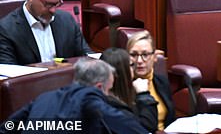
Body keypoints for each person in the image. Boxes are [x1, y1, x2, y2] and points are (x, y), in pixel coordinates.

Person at [1, 58, 147, 134]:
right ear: (98, 87)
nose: (107, 95)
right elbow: (117, 120)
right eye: (108, 90)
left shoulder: (44, 97)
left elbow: (9, 126)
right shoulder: (89, 97)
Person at [0, 0, 92, 65]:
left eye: (57, 4)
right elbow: (9, 72)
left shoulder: (67, 20)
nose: (53, 10)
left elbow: (86, 55)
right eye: (48, 4)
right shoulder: (6, 29)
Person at [100, 47, 158, 133]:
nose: (133, 70)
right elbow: (146, 128)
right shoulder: (114, 109)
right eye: (131, 65)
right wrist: (144, 94)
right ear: (122, 72)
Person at [127, 30, 175, 131]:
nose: (139, 61)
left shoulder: (162, 82)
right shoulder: (124, 87)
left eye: (145, 55)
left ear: (154, 57)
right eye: (134, 55)